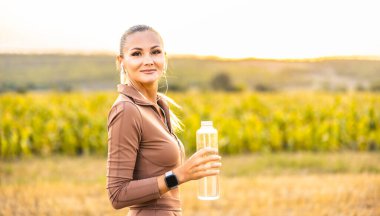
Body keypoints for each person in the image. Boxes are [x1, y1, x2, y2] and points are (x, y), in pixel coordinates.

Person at [106, 25, 222, 216]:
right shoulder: (126, 109)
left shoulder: (159, 106)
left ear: (164, 58)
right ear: (121, 62)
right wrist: (180, 174)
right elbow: (117, 194)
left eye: (155, 52)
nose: (148, 61)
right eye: (136, 54)